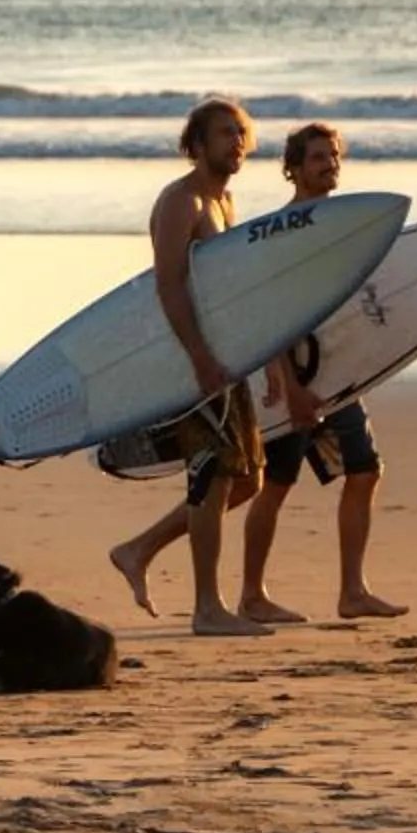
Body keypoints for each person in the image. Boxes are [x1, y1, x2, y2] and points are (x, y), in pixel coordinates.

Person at [106, 98, 271, 636]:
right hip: (189, 357)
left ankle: (138, 549)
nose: (236, 143)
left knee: (247, 479)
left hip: (224, 358)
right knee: (215, 475)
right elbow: (169, 287)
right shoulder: (181, 202)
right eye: (224, 134)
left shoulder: (223, 201)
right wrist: (198, 358)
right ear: (195, 145)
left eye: (240, 134)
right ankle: (206, 608)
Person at [238, 122, 409, 622]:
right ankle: (251, 595)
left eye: (334, 156)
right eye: (318, 157)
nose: (329, 164)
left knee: (364, 469)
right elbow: (272, 316)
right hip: (291, 380)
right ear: (292, 168)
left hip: (334, 378)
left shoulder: (341, 227)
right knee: (276, 482)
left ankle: (352, 592)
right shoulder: (283, 233)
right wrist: (290, 387)